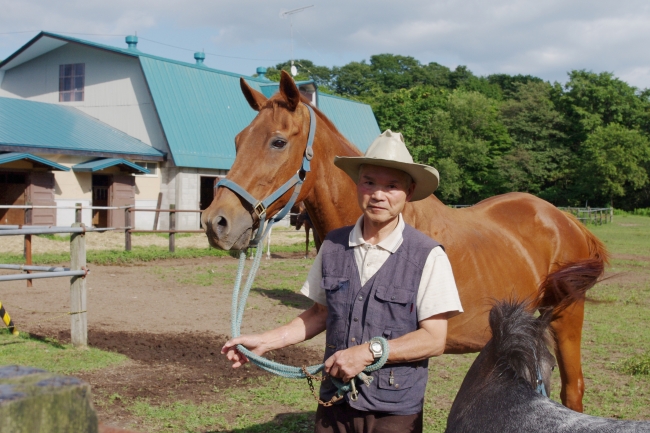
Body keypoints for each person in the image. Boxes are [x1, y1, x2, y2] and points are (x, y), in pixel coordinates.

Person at [222, 130, 463, 433]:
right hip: (334, 403)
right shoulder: (333, 245)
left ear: (409, 191)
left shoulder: (428, 255)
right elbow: (320, 313)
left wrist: (368, 352)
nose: (378, 194)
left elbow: (434, 339)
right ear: (357, 185)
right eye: (370, 182)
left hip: (394, 412)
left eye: (392, 186)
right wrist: (265, 341)